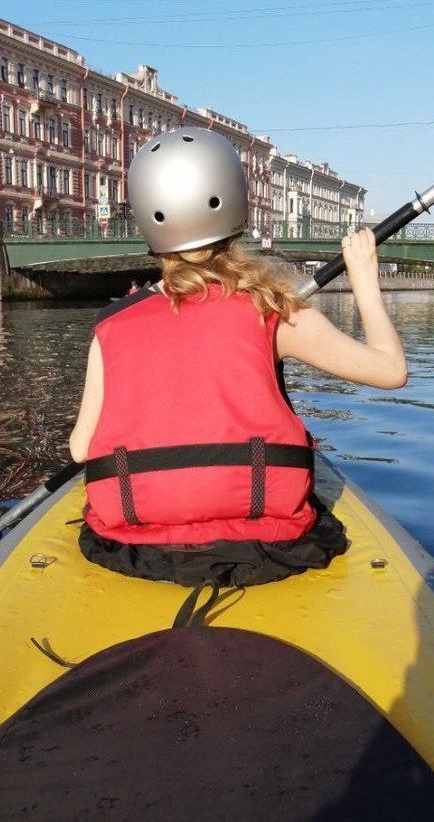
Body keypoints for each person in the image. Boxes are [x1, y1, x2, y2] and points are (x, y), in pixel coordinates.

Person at [69, 127, 407, 586]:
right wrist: (364, 279)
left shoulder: (111, 326)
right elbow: (391, 371)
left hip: (134, 541)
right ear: (236, 205)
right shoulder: (274, 311)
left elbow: (81, 449)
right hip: (267, 539)